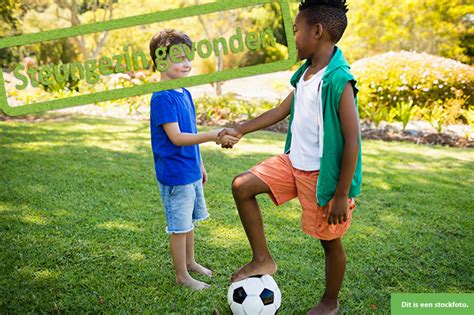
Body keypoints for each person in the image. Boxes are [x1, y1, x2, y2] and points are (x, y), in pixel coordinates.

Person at [218, 0, 362, 313]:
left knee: (329, 242)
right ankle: (262, 259)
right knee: (242, 185)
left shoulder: (339, 80)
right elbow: (281, 110)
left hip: (320, 177)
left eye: (296, 30)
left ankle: (330, 301)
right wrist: (241, 128)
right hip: (292, 163)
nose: (293, 37)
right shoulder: (305, 74)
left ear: (318, 31)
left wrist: (341, 195)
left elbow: (353, 140)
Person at [149, 29, 239, 290]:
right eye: (179, 58)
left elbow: (188, 130)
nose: (187, 63)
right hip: (175, 174)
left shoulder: (183, 93)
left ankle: (190, 262)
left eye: (189, 57)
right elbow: (177, 138)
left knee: (188, 222)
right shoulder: (163, 97)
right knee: (179, 226)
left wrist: (200, 164)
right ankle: (182, 276)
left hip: (189, 170)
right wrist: (212, 135)